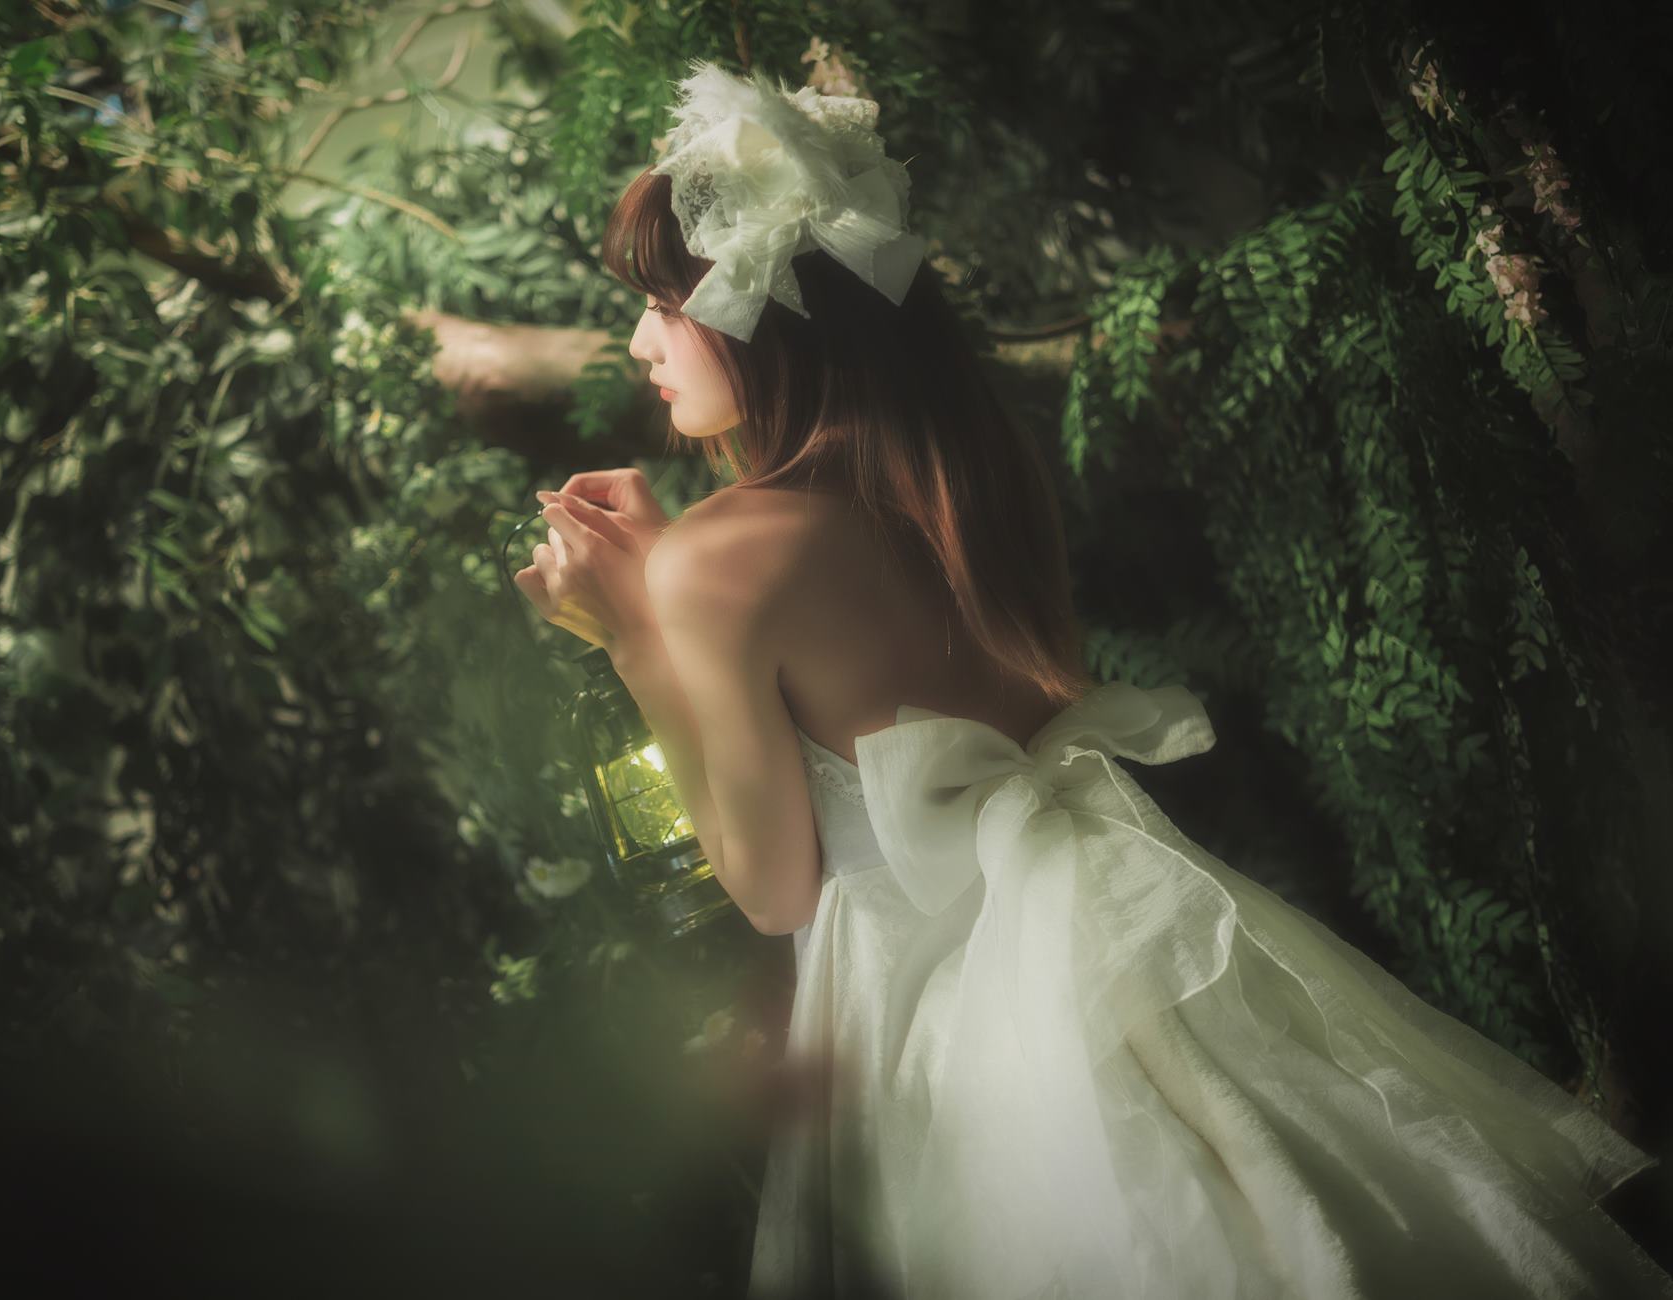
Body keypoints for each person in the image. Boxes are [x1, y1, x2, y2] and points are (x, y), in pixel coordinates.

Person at [513, 58, 1673, 1299]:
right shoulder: (971, 471)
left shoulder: (714, 561)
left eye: (665, 302)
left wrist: (634, 637)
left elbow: (772, 887)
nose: (640, 341)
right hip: (1110, 940)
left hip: (945, 1012)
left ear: (767, 310)